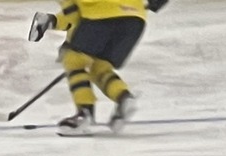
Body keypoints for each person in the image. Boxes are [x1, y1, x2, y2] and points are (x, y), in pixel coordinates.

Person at [32, 0, 167, 135]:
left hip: (100, 15)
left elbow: (73, 15)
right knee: (100, 67)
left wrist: (55, 26)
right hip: (135, 19)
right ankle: (124, 97)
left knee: (73, 61)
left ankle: (84, 114)